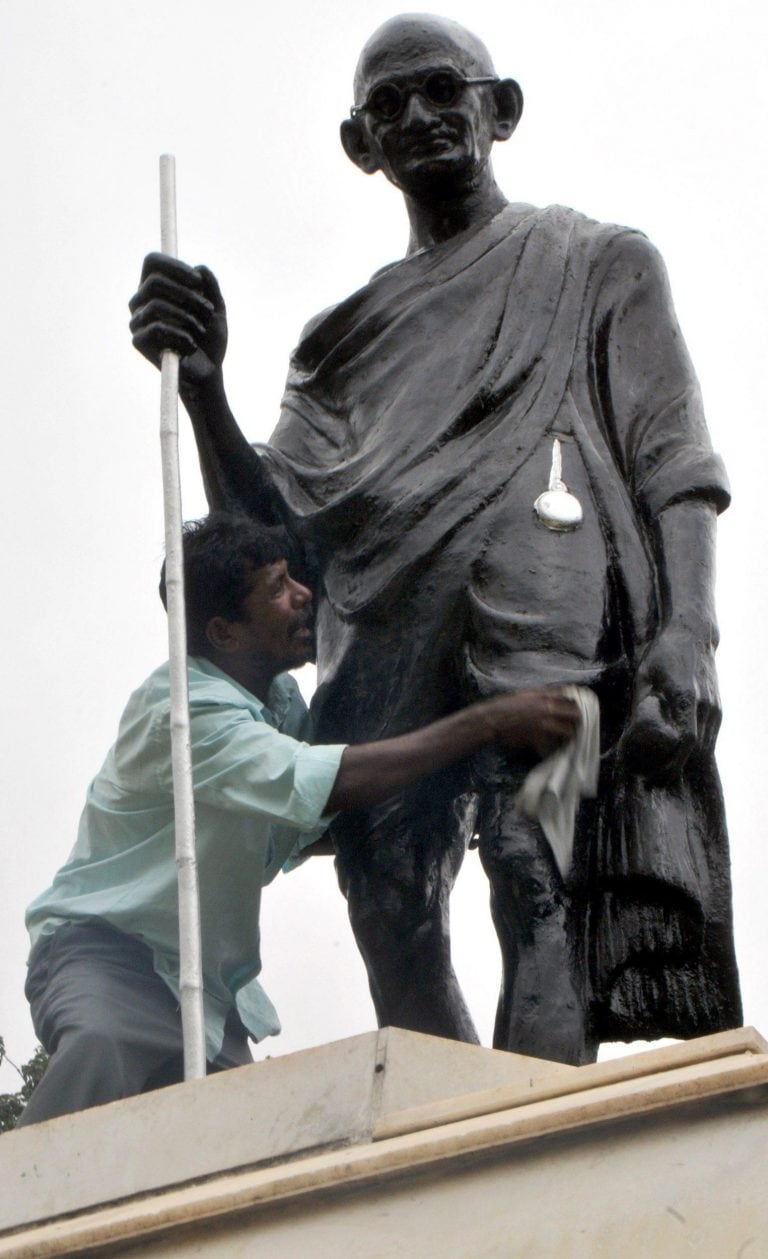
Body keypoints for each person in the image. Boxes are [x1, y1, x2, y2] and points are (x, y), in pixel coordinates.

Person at [128, 15, 741, 1065]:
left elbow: (671, 458)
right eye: (387, 106)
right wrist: (207, 391)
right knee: (390, 907)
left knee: (535, 870)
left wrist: (690, 627)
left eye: (441, 90)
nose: (418, 115)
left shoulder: (599, 263)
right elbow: (282, 532)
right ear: (359, 145)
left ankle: (542, 1153)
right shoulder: (338, 348)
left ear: (498, 108)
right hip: (387, 644)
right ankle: (451, 1150)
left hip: (549, 619)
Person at [17, 512, 578, 1126]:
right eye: (278, 587)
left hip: (202, 990)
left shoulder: (276, 703)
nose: (303, 594)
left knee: (234, 1143)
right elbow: (334, 779)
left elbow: (320, 815)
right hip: (105, 953)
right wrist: (491, 722)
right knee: (102, 1051)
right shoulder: (187, 717)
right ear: (224, 632)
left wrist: (445, 808)